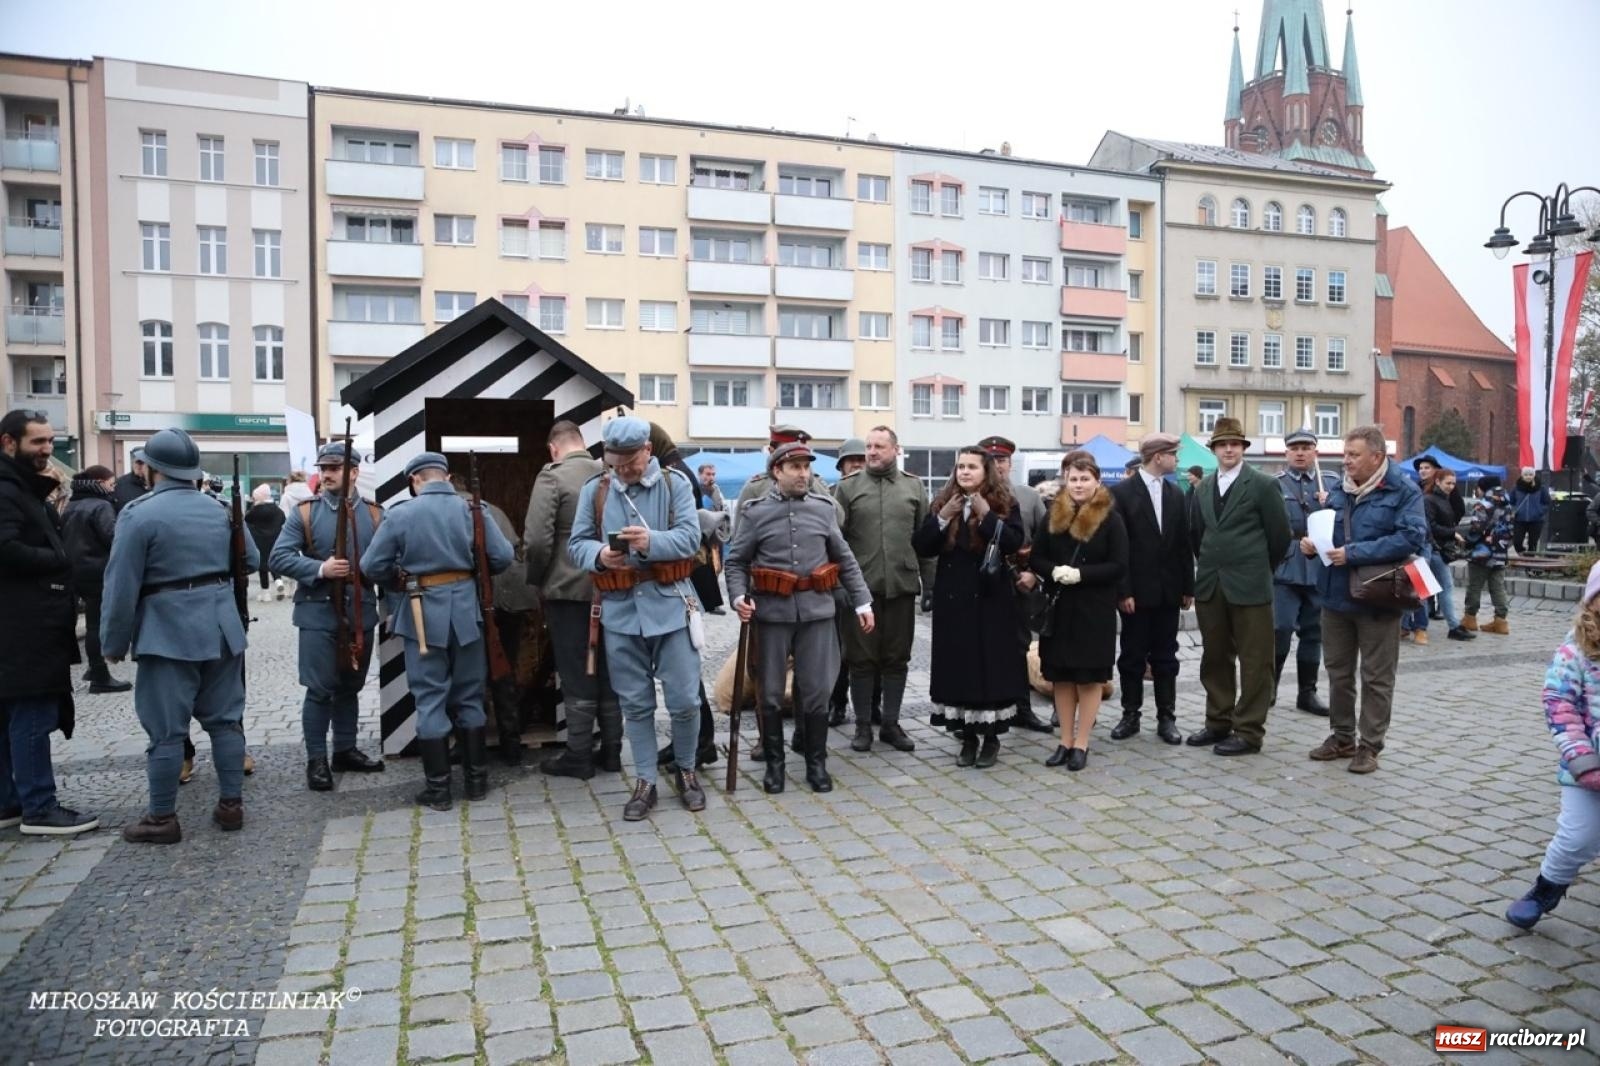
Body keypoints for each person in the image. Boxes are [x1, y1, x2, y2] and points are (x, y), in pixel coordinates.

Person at [102, 428, 255, 843]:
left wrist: (112, 644)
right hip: (223, 626)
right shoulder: (221, 509)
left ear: (151, 469)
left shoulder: (138, 513)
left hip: (166, 630)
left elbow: (121, 586)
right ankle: (231, 806)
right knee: (225, 724)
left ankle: (162, 818)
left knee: (167, 731)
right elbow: (252, 560)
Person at [568, 417, 705, 821]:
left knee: (684, 700)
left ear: (648, 451)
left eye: (630, 461)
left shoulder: (674, 485)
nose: (624, 470)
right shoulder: (596, 491)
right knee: (636, 704)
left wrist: (651, 542)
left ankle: (686, 769)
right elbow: (576, 544)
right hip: (620, 610)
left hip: (671, 605)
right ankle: (645, 780)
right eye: (616, 462)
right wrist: (599, 556)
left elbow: (691, 538)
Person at [360, 452, 514, 811]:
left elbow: (371, 565)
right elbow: (503, 556)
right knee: (470, 697)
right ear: (445, 477)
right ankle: (476, 783)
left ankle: (439, 789)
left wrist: (398, 580)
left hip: (420, 613)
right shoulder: (474, 510)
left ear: (415, 481)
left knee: (430, 698)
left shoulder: (401, 513)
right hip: (467, 613)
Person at [725, 441, 874, 793]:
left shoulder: (823, 509)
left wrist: (863, 603)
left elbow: (845, 559)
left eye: (807, 467)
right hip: (772, 614)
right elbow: (736, 561)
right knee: (771, 692)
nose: (803, 474)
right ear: (777, 471)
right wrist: (737, 597)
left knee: (816, 690)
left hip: (817, 612)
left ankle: (816, 764)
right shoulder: (755, 511)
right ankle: (775, 766)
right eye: (795, 468)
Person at [1304, 426, 1428, 775]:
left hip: (1377, 597)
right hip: (1335, 596)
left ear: (1377, 457)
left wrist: (1354, 553)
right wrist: (1312, 546)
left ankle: (1370, 745)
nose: (1346, 461)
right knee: (1338, 673)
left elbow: (1411, 537)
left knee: (1376, 676)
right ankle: (1341, 737)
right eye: (1344, 455)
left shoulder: (1403, 490)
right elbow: (1331, 534)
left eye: (1353, 455)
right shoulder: (1338, 490)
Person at [0, 409, 99, 836]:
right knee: (31, 713)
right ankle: (39, 806)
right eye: (37, 442)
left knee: (13, 714)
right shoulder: (7, 490)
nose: (46, 450)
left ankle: (11, 803)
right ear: (9, 443)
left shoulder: (20, 486)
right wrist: (59, 560)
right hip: (23, 625)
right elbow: (5, 548)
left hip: (23, 620)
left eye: (49, 440)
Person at [270, 442, 387, 792]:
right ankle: (317, 759)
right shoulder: (305, 513)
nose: (327, 474)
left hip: (361, 612)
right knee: (320, 689)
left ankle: (345, 750)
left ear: (353, 472)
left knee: (350, 686)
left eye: (335, 468)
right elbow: (278, 558)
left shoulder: (375, 515)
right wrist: (320, 568)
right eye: (323, 468)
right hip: (318, 613)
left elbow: (389, 558)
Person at [913, 446, 1028, 768]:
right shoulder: (943, 501)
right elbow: (921, 544)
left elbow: (1015, 542)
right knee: (958, 665)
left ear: (985, 471)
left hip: (991, 598)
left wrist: (987, 516)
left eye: (971, 467)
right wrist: (942, 517)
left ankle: (990, 738)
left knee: (990, 665)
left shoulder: (1004, 502)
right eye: (960, 466)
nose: (964, 472)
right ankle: (966, 737)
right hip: (953, 600)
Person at [523, 420, 623, 780]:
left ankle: (579, 755)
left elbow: (536, 541)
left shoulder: (552, 477)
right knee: (610, 669)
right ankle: (612, 752)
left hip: (568, 589)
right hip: (612, 585)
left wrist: (536, 581)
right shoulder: (609, 474)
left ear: (553, 448)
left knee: (577, 671)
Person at [1187, 418, 1292, 756]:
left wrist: (1258, 568)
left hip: (1250, 585)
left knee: (1256, 659)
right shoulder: (1202, 488)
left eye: (1235, 444)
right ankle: (1217, 720)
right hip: (1211, 585)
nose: (1229, 449)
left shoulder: (1262, 485)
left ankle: (1248, 730)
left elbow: (1280, 537)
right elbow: (1197, 535)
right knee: (1214, 656)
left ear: (1243, 448)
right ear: (1214, 449)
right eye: (1222, 444)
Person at [1505, 563, 1600, 929]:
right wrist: (1583, 759)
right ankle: (1547, 887)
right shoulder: (1575, 651)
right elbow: (1559, 705)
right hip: (1589, 770)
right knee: (1578, 836)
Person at [834, 426, 928, 753]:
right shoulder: (847, 488)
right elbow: (835, 541)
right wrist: (839, 587)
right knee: (860, 659)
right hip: (861, 593)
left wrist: (929, 585)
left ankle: (890, 723)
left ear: (895, 450)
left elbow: (924, 542)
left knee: (896, 658)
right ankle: (862, 726)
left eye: (879, 446)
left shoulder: (914, 487)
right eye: (869, 446)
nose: (871, 452)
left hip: (901, 588)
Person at [1034, 450, 1129, 770]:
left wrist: (1081, 574)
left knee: (1088, 678)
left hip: (1094, 609)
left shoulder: (1111, 518)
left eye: (1084, 479)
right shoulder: (1052, 515)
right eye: (1073, 479)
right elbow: (1037, 557)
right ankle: (1064, 740)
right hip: (1060, 608)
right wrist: (1053, 571)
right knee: (1061, 676)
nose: (1077, 484)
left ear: (1097, 481)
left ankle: (1082, 743)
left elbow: (1118, 565)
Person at [1107, 433, 1191, 744]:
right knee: (1131, 655)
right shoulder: (1122, 493)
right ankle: (1130, 715)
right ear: (1159, 456)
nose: (1177, 461)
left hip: (1169, 592)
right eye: (1174, 455)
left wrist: (1187, 586)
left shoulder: (1175, 493)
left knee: (1167, 656)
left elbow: (1183, 543)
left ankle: (1167, 717)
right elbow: (1120, 548)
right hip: (1136, 594)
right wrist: (1123, 591)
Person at [980, 436, 1053, 734]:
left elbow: (1046, 542)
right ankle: (985, 710)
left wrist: (1035, 574)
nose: (998, 465)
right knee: (984, 647)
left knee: (1021, 645)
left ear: (1011, 463)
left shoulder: (1028, 497)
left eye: (1003, 460)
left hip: (1020, 582)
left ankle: (1023, 709)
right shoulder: (974, 497)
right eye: (992, 460)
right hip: (984, 584)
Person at [1271, 428, 1338, 710]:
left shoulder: (1333, 483)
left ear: (1315, 452)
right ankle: (1268, 689)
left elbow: (1345, 518)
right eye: (1294, 447)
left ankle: (1306, 693)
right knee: (1280, 629)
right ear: (1286, 453)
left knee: (1314, 632)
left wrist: (1332, 503)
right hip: (1286, 565)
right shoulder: (1275, 484)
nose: (1300, 452)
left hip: (1320, 566)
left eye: (1306, 447)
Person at [62, 464, 131, 694]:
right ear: (100, 483)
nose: (113, 489)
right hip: (97, 571)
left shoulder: (73, 504)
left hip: (76, 571)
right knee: (96, 625)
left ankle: (94, 669)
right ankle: (99, 674)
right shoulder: (101, 506)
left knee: (92, 622)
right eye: (111, 484)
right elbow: (114, 538)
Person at [1408, 469, 1474, 642]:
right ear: (1437, 482)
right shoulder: (1428, 500)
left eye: (1453, 483)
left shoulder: (1444, 499)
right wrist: (1452, 533)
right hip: (1428, 548)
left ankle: (1451, 626)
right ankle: (1419, 627)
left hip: (1436, 549)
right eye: (1448, 483)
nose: (1451, 487)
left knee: (1433, 587)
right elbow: (1430, 526)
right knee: (1422, 588)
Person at [1462, 474, 1513, 634]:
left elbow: (1476, 528)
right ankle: (1501, 620)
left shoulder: (1483, 505)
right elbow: (1511, 530)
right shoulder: (1508, 505)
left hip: (1482, 552)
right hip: (1500, 551)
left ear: (1483, 488)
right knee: (1498, 587)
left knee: (1475, 585)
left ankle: (1470, 618)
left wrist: (1467, 541)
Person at [245, 484, 286, 603]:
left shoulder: (255, 510)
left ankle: (266, 593)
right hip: (274, 540)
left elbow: (246, 519)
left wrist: (250, 505)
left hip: (259, 541)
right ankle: (279, 581)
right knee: (273, 562)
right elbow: (283, 520)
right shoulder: (277, 510)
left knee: (262, 566)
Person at [1510, 466, 1551, 554]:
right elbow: (1511, 502)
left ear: (1534, 475)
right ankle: (1523, 554)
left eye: (1531, 474)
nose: (1528, 476)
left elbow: (1546, 502)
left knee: (1533, 543)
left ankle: (1530, 562)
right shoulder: (1516, 488)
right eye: (1526, 475)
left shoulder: (1541, 488)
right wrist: (1513, 511)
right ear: (1522, 476)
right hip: (1519, 519)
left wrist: (1539, 511)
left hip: (1536, 520)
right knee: (1517, 542)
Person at [111, 447, 150, 513]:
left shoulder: (159, 482)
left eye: (142, 462)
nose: (138, 466)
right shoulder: (120, 483)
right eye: (136, 462)